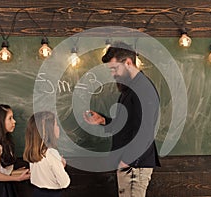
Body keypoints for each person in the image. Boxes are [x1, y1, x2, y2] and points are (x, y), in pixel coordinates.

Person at [83, 41, 161, 197]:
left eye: (115, 68)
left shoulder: (143, 89)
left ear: (128, 63)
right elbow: (125, 125)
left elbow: (144, 131)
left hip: (134, 165)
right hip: (131, 164)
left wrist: (126, 161)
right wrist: (103, 120)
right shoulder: (131, 88)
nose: (113, 74)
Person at [0, 104, 30, 197]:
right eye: (10, 118)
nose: (14, 121)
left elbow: (3, 171)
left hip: (6, 184)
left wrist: (17, 172)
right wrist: (17, 178)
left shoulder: (5, 142)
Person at [23, 111, 70, 197]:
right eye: (56, 125)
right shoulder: (52, 153)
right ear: (49, 130)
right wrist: (61, 166)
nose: (58, 128)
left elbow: (45, 173)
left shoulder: (33, 151)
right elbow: (65, 182)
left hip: (36, 192)